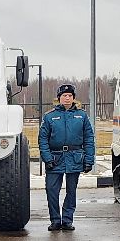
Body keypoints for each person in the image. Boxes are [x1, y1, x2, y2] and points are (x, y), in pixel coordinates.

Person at [38, 83, 94, 231]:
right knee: (52, 191)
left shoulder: (81, 116)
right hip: (55, 159)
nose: (67, 98)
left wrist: (89, 160)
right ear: (59, 98)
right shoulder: (50, 117)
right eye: (64, 96)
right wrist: (47, 158)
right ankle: (55, 220)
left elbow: (89, 138)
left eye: (70, 96)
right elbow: (43, 139)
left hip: (74, 157)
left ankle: (67, 220)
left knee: (71, 191)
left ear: (74, 98)